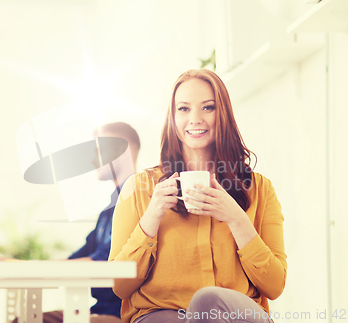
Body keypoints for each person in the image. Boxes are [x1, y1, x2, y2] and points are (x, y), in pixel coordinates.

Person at [109, 69, 287, 323]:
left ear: (223, 114)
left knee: (208, 302)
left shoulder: (259, 189)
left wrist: (237, 219)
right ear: (172, 117)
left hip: (233, 317)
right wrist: (151, 218)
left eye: (208, 107)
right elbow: (119, 286)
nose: (195, 119)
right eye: (183, 109)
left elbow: (275, 286)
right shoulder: (139, 188)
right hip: (162, 315)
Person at [42, 122, 141, 323]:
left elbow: (102, 262)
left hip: (121, 314)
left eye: (99, 150)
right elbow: (79, 259)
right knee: (25, 319)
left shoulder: (137, 201)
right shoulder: (111, 208)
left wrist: (27, 268)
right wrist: (21, 266)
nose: (93, 160)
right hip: (98, 310)